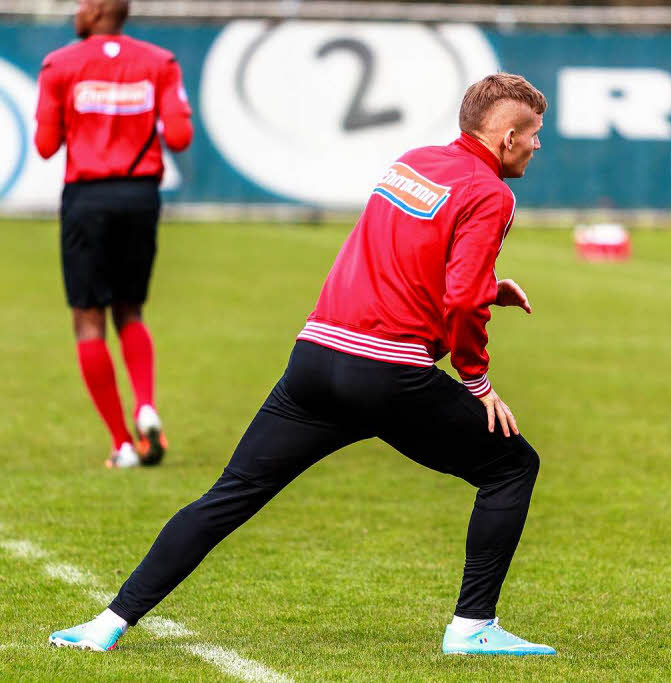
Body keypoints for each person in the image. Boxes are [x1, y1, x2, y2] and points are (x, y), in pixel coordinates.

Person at [49, 73, 555, 656]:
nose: (538, 146)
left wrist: (488, 289)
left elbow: (413, 262)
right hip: (387, 374)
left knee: (231, 494)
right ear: (509, 136)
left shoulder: (413, 161)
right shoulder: (492, 193)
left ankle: (108, 622)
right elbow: (459, 299)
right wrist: (477, 381)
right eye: (535, 135)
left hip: (316, 359)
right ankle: (472, 629)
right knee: (511, 467)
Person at [34, 0, 193, 468]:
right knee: (131, 310)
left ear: (98, 9)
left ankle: (122, 443)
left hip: (87, 200)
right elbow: (180, 137)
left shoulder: (60, 64)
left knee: (88, 320)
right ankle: (146, 404)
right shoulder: (159, 62)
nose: (75, 11)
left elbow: (45, 146)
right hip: (141, 198)